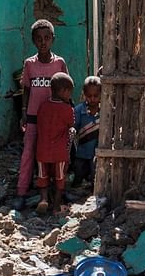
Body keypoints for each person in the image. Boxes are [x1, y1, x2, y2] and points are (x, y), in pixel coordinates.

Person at [16, 19, 68, 210]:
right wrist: (23, 112)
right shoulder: (30, 64)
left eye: (47, 38)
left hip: (54, 121)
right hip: (33, 117)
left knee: (56, 155)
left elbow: (66, 89)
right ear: (33, 40)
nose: (43, 42)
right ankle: (22, 192)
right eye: (39, 39)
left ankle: (58, 191)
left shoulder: (59, 63)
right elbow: (26, 90)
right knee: (29, 153)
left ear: (53, 39)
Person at [34, 72, 76, 215]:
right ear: (63, 91)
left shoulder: (43, 106)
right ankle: (56, 207)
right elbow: (71, 124)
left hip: (42, 150)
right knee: (60, 180)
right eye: (70, 92)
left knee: (42, 177)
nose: (71, 96)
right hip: (59, 152)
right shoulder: (67, 109)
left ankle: (44, 199)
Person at [70, 75, 101, 192]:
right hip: (81, 152)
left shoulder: (105, 110)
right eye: (89, 96)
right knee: (78, 172)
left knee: (95, 174)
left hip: (97, 152)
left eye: (95, 96)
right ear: (84, 94)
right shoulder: (78, 110)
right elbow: (73, 128)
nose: (92, 99)